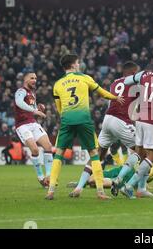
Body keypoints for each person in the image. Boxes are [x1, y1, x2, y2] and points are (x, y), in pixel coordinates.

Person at [45, 53, 124, 200]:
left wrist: (67, 117)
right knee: (94, 154)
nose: (79, 64)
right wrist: (115, 98)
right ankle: (100, 191)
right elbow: (102, 93)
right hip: (83, 119)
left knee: (59, 154)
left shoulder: (57, 84)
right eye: (78, 62)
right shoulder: (84, 78)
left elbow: (59, 108)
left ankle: (50, 190)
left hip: (67, 119)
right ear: (74, 65)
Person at [68, 61, 139, 198]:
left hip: (107, 120)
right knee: (142, 152)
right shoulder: (134, 84)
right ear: (133, 73)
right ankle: (121, 181)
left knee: (97, 155)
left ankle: (79, 187)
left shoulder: (115, 82)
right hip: (121, 121)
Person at [113, 55, 153, 199]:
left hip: (140, 118)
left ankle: (129, 183)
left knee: (139, 153)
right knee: (152, 157)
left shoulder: (144, 74)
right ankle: (129, 186)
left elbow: (126, 81)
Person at [14, 71, 54, 187]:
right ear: (25, 80)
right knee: (35, 150)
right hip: (22, 125)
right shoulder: (20, 91)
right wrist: (34, 110)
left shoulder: (32, 93)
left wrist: (39, 109)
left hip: (33, 123)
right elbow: (19, 103)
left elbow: (33, 108)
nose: (35, 80)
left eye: (36, 78)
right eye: (32, 78)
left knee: (48, 146)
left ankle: (49, 176)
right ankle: (40, 177)